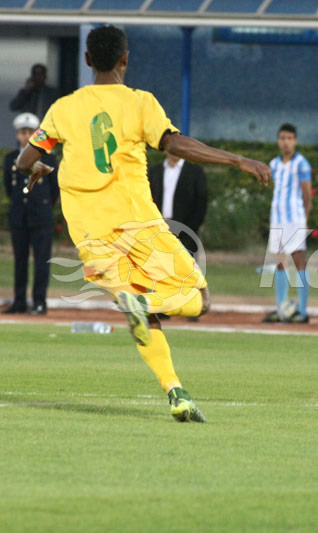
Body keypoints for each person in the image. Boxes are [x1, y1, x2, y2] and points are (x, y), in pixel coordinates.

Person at [15, 24, 271, 423]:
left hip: (90, 235)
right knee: (199, 301)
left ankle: (175, 391)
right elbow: (175, 145)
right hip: (138, 224)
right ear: (126, 59)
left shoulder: (63, 109)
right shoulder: (140, 103)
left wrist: (40, 169)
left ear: (86, 60)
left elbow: (25, 160)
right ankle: (161, 352)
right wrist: (238, 160)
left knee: (140, 312)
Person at [2, 113, 59, 315]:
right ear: (17, 135)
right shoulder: (10, 159)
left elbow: (54, 190)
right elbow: (10, 187)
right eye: (22, 133)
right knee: (20, 260)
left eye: (29, 133)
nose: (25, 137)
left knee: (41, 260)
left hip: (41, 216)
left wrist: (44, 206)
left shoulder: (48, 157)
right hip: (20, 216)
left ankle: (39, 302)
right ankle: (19, 301)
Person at [263, 123, 312, 324]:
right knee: (280, 263)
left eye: (290, 138)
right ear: (278, 141)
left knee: (299, 260)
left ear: (295, 141)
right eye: (283, 138)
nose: (286, 142)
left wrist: (304, 218)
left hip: (294, 219)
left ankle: (302, 310)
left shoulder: (301, 164)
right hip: (278, 218)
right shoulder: (274, 164)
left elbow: (307, 193)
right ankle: (281, 307)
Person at [148, 152, 208, 255]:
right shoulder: (155, 171)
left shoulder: (195, 172)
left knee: (185, 268)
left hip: (186, 230)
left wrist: (191, 228)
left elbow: (201, 202)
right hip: (158, 229)